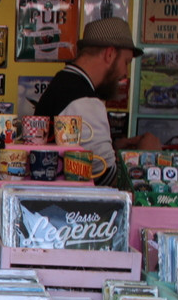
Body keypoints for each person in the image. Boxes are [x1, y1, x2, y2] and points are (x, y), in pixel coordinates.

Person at [35, 17, 160, 185]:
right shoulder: (84, 102)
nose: (125, 73)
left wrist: (117, 148)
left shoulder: (64, 82)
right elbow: (107, 182)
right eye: (126, 62)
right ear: (110, 54)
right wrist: (147, 156)